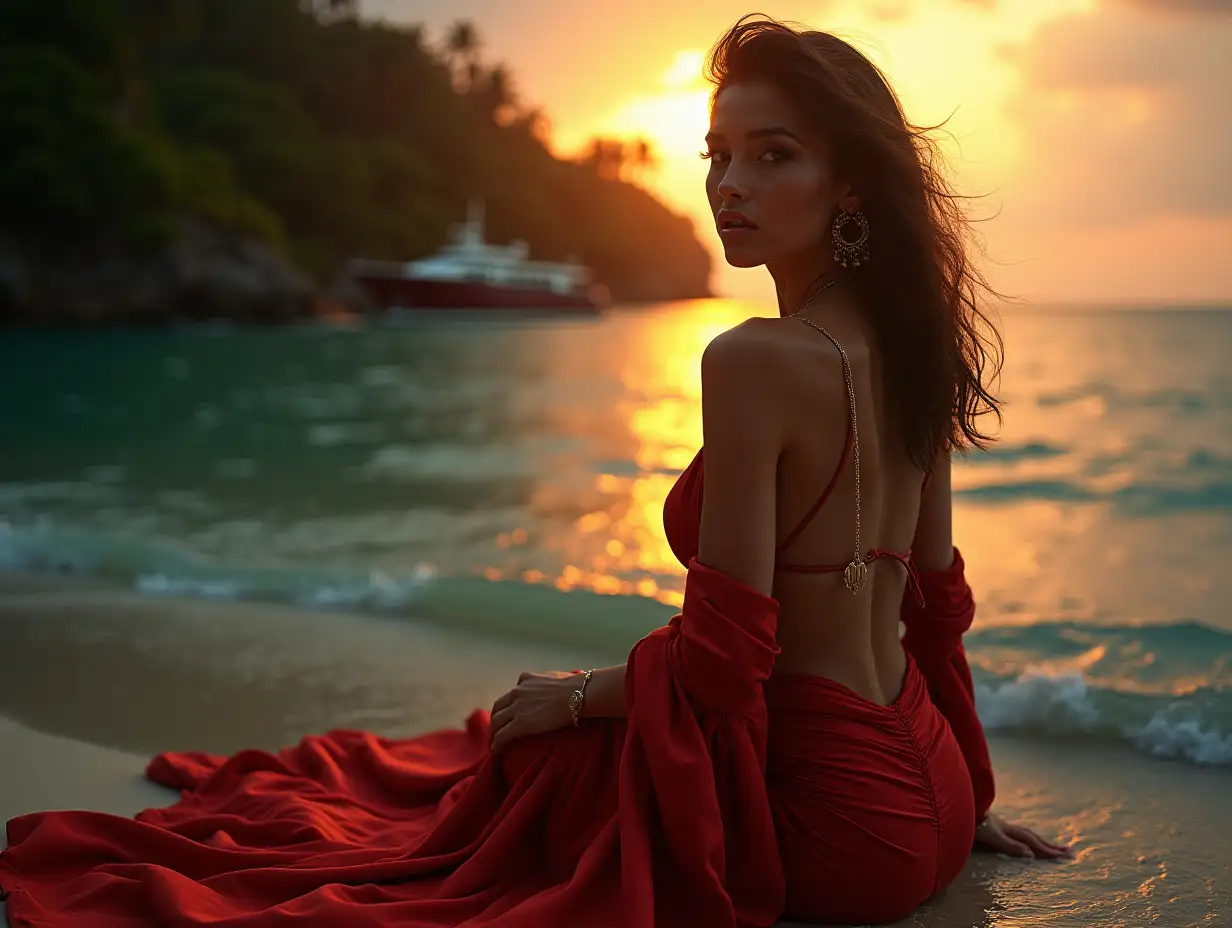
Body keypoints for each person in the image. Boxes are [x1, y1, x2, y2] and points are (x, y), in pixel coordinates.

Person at [0, 15, 1071, 928]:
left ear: (852, 185)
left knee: (521, 771)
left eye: (772, 155)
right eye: (716, 154)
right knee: (531, 756)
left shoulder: (750, 359)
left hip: (835, 838)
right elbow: (932, 613)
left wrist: (575, 697)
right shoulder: (920, 351)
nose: (728, 186)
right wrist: (961, 797)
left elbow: (721, 662)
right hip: (919, 796)